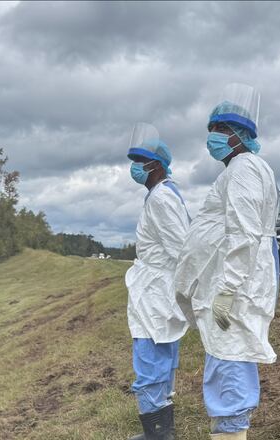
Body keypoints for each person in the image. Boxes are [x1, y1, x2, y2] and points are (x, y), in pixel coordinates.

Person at [174, 84, 279, 440]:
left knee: (230, 360)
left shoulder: (245, 168)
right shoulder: (238, 169)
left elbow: (244, 232)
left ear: (241, 135)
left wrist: (228, 287)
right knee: (225, 358)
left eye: (221, 130)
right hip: (229, 281)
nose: (213, 138)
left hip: (235, 285)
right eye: (212, 130)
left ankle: (232, 433)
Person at [125, 123, 191, 440]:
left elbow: (180, 248)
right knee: (159, 355)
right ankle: (160, 427)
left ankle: (157, 432)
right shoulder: (160, 196)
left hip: (155, 291)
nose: (135, 169)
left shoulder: (162, 199)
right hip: (156, 288)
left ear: (157, 166)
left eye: (141, 163)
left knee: (150, 358)